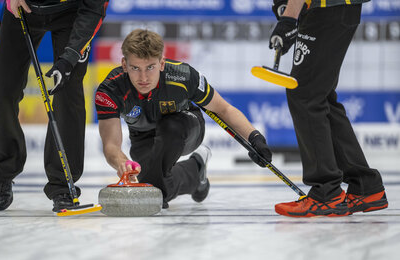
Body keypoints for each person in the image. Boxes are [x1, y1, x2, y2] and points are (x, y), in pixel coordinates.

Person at [95, 29, 272, 208]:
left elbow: (224, 109)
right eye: (135, 68)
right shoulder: (110, 90)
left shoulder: (183, 76)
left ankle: (172, 179)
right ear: (124, 65)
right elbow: (111, 145)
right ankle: (196, 169)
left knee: (170, 127)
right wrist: (123, 163)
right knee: (154, 189)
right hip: (142, 135)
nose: (143, 78)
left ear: (162, 63)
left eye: (150, 67)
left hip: (185, 128)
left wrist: (255, 138)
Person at [0, 0, 109, 212]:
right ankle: (3, 171)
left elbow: (94, 10)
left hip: (72, 12)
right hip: (22, 8)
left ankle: (63, 185)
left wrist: (70, 56)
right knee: (3, 93)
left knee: (68, 91)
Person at [269, 0, 388, 217]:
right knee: (318, 94)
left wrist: (289, 18)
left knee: (304, 94)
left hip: (326, 8)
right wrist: (285, 7)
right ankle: (364, 186)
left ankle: (326, 192)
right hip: (336, 7)